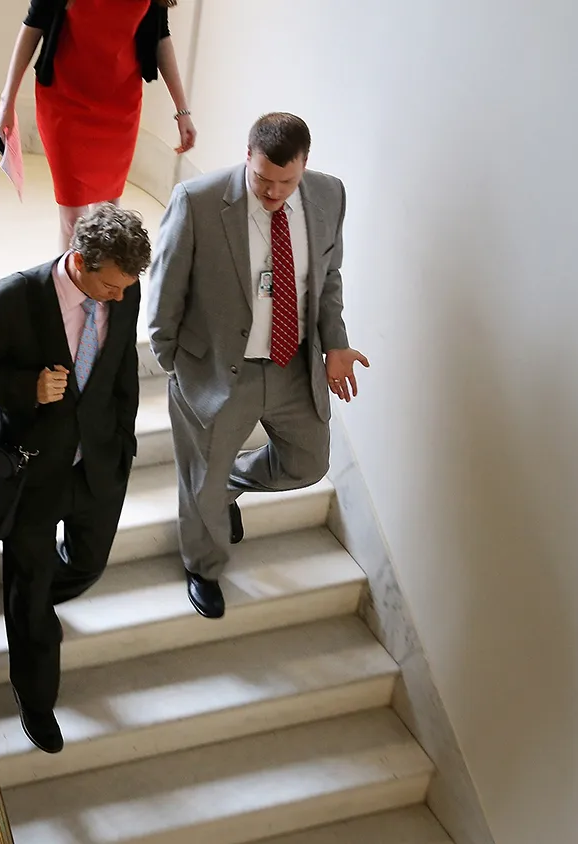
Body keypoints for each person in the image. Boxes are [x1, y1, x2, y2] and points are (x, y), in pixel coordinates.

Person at [145, 112, 371, 620]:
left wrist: (334, 342)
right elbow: (165, 291)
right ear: (247, 156)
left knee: (308, 463)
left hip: (293, 364)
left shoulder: (329, 194)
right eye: (262, 179)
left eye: (285, 182)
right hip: (218, 369)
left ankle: (227, 489)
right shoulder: (197, 202)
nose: (272, 193)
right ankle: (203, 564)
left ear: (305, 166)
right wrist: (174, 362)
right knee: (200, 476)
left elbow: (328, 277)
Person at [0, 204, 148, 753]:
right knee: (31, 590)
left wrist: (123, 447)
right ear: (81, 261)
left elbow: (122, 372)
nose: (119, 298)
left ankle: (28, 602)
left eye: (126, 288)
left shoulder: (120, 294)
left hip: (96, 467)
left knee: (87, 563)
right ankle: (34, 698)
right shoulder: (14, 297)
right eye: (109, 286)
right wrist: (27, 387)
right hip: (31, 471)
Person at [0, 0, 198, 248]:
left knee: (108, 214)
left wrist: (182, 110)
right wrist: (7, 101)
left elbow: (161, 37)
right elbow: (33, 27)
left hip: (120, 106)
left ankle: (101, 285)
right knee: (72, 220)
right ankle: (69, 285)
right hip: (64, 103)